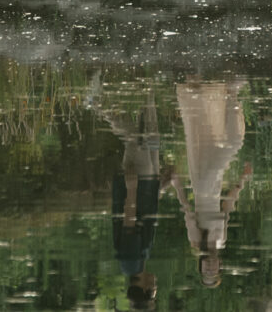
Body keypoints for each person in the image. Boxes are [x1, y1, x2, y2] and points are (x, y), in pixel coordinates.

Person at [173, 77, 253, 289]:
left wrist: (175, 182)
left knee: (232, 144)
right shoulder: (221, 240)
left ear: (201, 266)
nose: (211, 267)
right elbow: (227, 208)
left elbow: (186, 210)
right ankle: (229, 92)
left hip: (201, 185)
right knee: (216, 137)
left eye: (207, 270)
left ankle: (232, 91)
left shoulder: (197, 240)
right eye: (213, 270)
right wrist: (242, 181)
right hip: (215, 187)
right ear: (219, 265)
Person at [105, 95, 165, 308]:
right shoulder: (139, 262)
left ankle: (98, 104)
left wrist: (131, 189)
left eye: (153, 292)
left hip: (138, 187)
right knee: (151, 137)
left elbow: (129, 226)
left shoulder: (130, 263)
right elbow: (145, 222)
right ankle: (146, 90)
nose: (156, 287)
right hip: (148, 186)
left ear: (144, 289)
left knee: (135, 138)